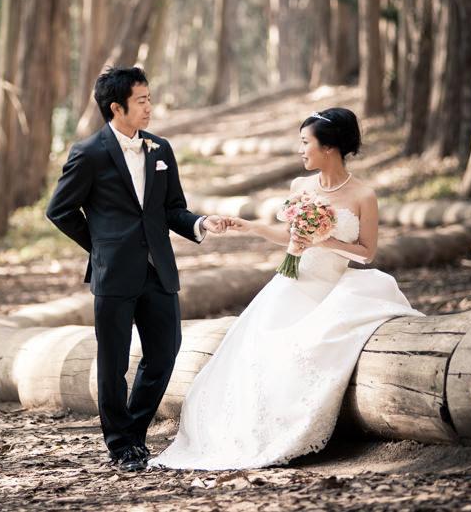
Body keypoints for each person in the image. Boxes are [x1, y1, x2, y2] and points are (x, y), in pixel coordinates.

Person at [151, 107, 422, 470]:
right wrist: (250, 227)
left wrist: (324, 240)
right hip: (294, 281)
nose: (300, 150)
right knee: (256, 346)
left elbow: (367, 252)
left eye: (305, 143)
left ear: (329, 148)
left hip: (335, 283)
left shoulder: (362, 195)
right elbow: (289, 236)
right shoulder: (301, 187)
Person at [46, 66, 228, 472]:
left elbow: (172, 209)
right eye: (141, 100)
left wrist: (200, 224)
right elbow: (59, 210)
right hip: (114, 274)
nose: (149, 107)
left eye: (149, 98)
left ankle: (134, 434)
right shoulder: (88, 153)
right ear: (117, 107)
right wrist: (102, 247)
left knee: (164, 353)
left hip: (158, 270)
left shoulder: (160, 150)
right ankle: (120, 444)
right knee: (112, 363)